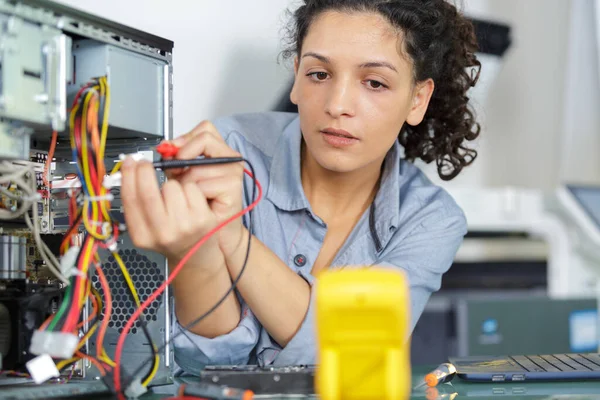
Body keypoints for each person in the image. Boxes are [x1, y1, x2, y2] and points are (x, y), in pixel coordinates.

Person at [120, 0, 481, 374]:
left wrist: (229, 232)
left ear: (417, 98)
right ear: (296, 76)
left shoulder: (431, 219)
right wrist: (195, 249)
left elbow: (354, 352)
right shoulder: (225, 151)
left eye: (375, 82)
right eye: (319, 75)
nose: (337, 105)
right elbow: (207, 362)